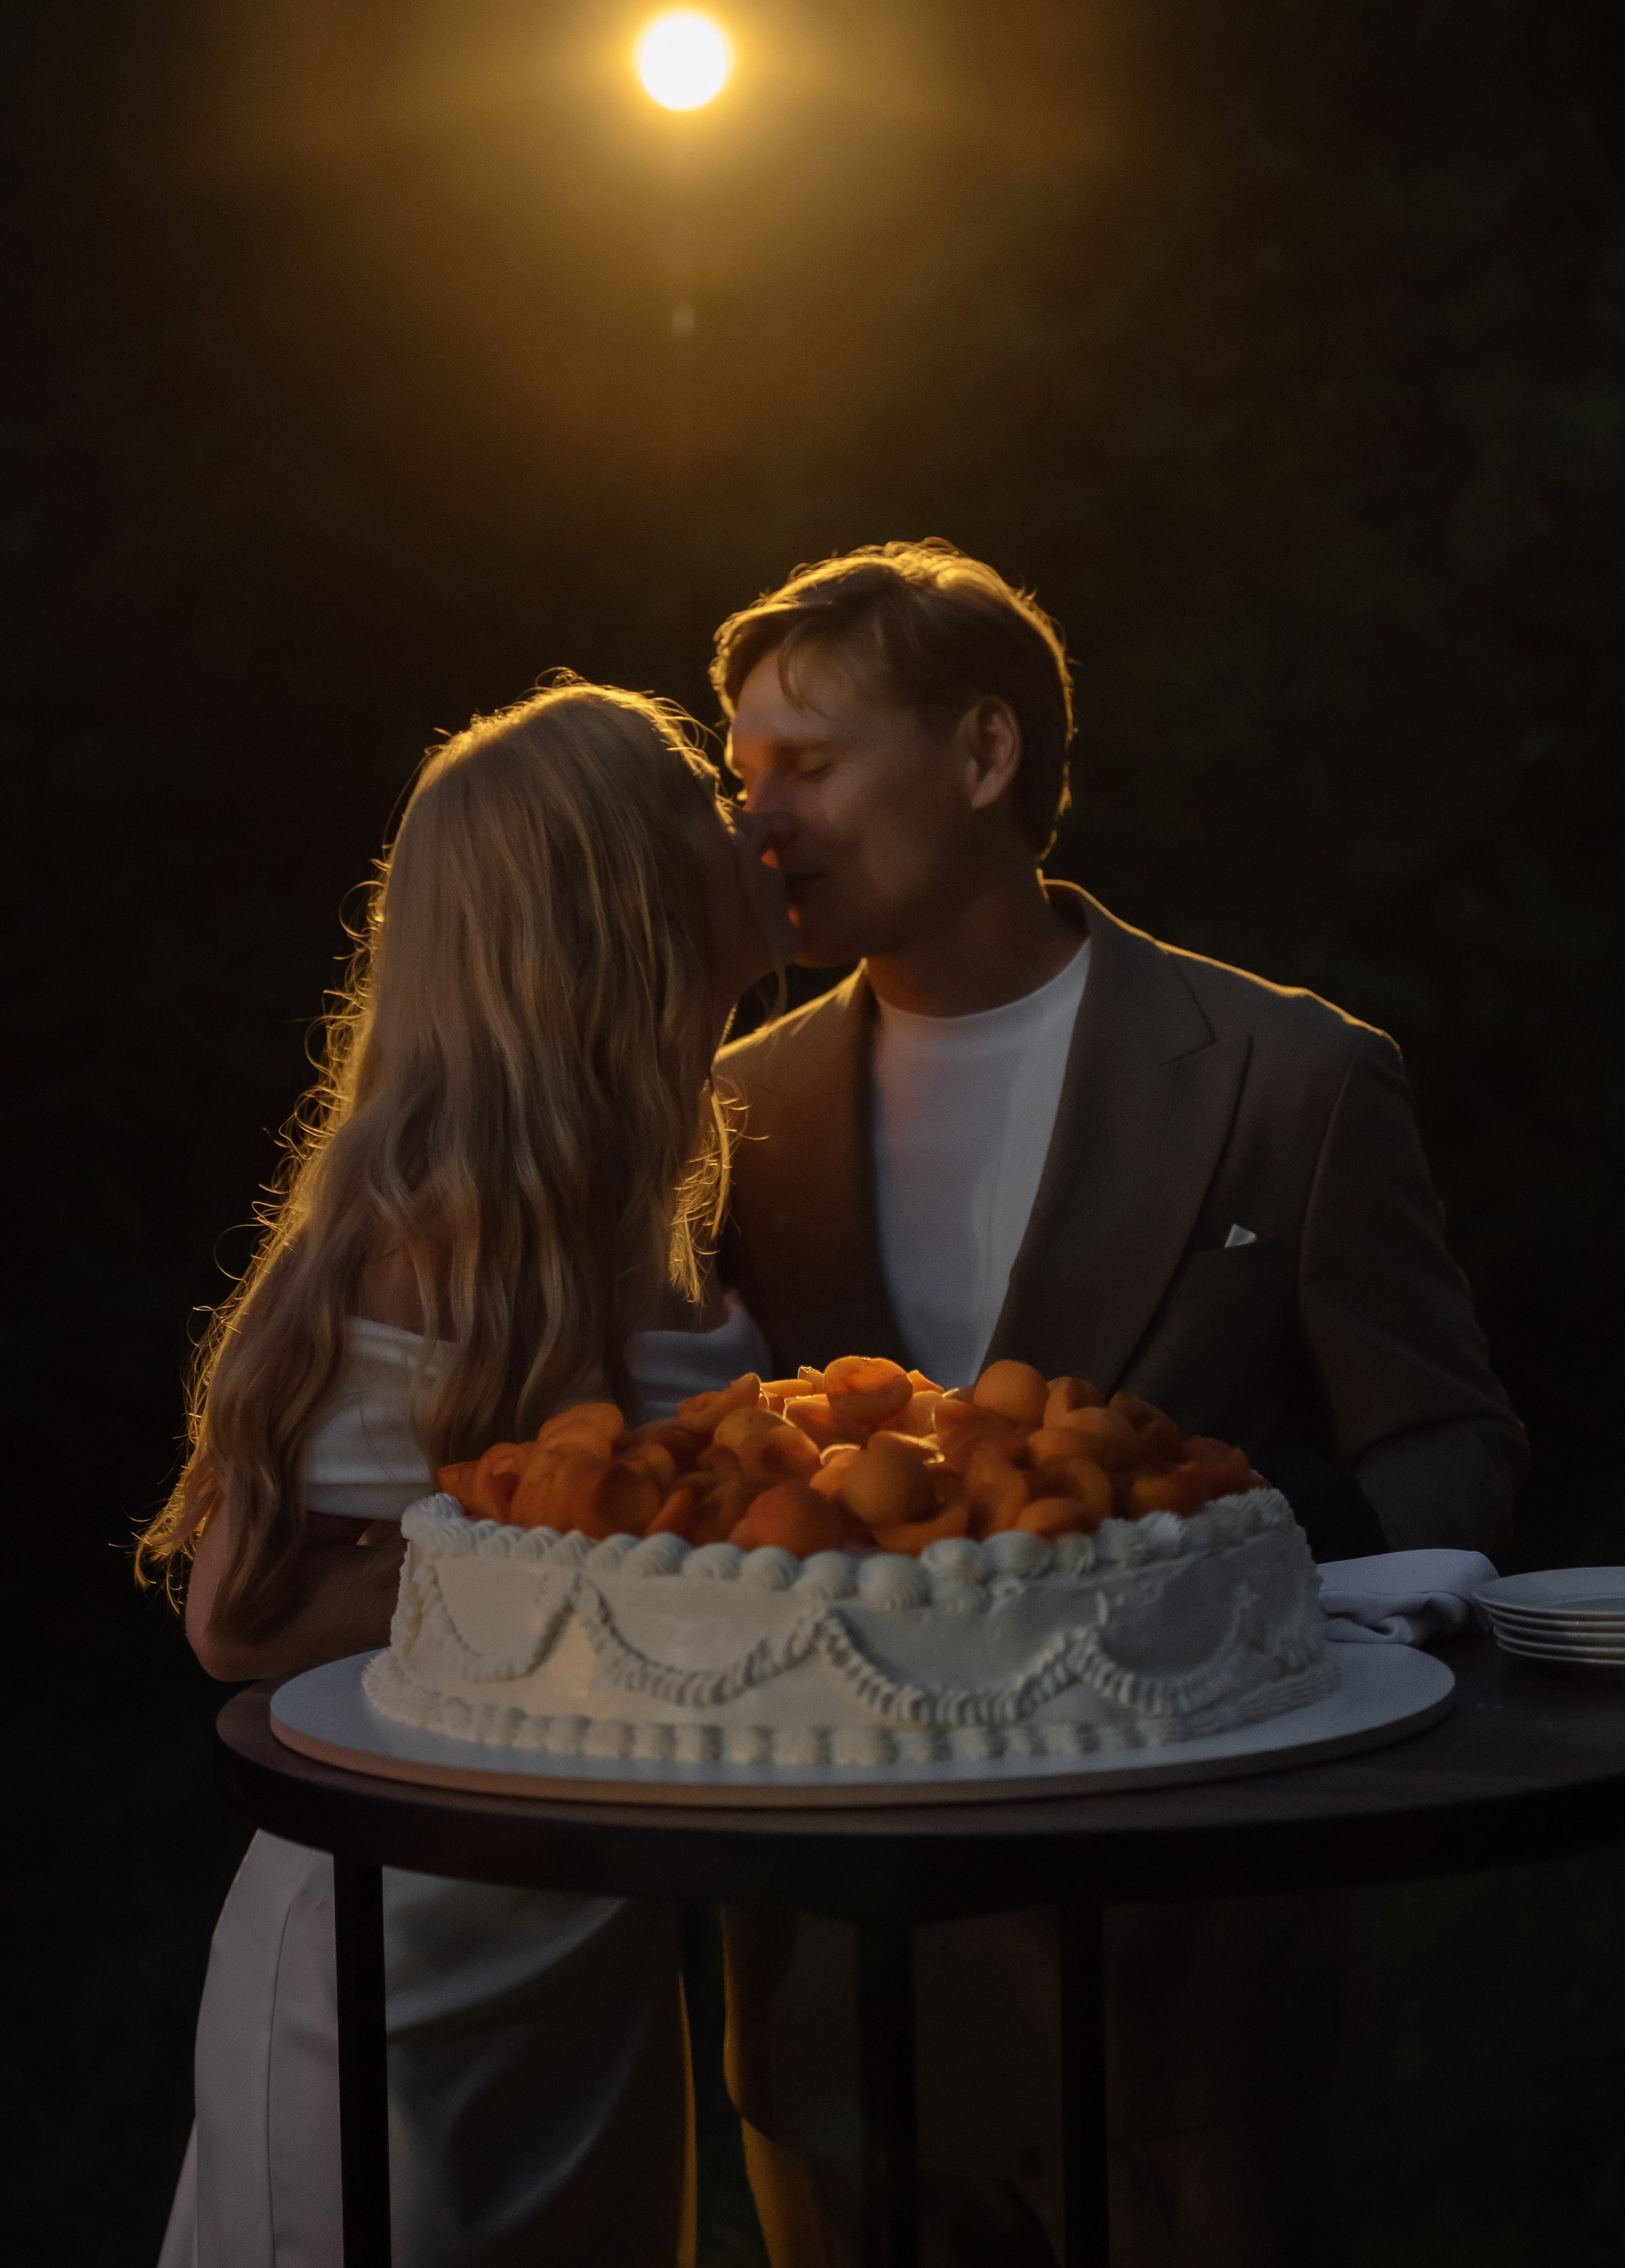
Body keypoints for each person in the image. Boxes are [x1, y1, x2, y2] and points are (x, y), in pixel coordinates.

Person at [708, 540, 1529, 2267]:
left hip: (1189, 1991)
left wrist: (1325, 1608)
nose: (755, 820)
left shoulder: (1295, 1080)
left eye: (811, 762)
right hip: (830, 1993)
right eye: (740, 773)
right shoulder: (722, 1114)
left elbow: (1444, 1443)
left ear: (987, 754)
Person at [141, 681, 792, 2268]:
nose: (750, 817)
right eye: (706, 789)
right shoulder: (438, 1232)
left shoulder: (655, 1194)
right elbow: (240, 1619)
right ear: (618, 894)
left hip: (588, 1958)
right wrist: (611, 1545)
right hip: (391, 1984)